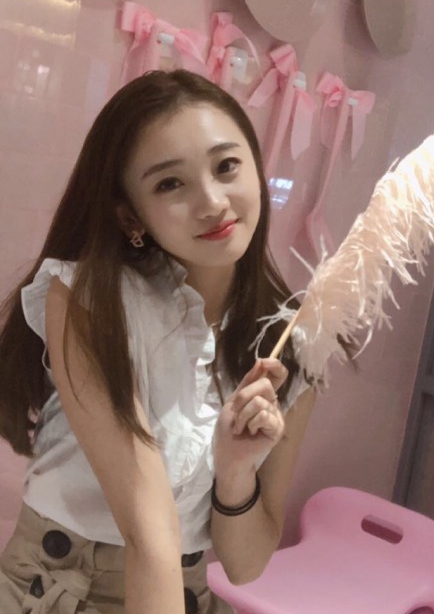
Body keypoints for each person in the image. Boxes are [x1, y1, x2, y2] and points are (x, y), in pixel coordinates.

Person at [0, 69, 316, 613]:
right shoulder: (87, 300)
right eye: (170, 183)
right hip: (55, 591)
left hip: (185, 593)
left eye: (226, 166)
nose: (212, 202)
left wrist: (235, 471)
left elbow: (245, 565)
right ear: (131, 215)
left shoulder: (292, 346)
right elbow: (150, 533)